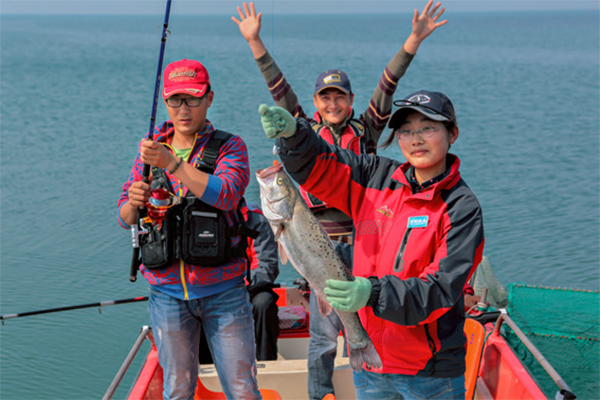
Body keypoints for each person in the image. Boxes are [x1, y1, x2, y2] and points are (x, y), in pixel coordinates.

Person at [233, 2, 447, 398]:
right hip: (317, 244)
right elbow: (278, 89)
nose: (332, 105)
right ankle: (321, 394)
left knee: (374, 323)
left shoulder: (365, 129)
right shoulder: (306, 132)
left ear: (350, 101)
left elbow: (389, 84)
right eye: (325, 98)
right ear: (315, 103)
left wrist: (413, 40)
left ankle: (377, 382)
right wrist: (255, 42)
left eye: (340, 98)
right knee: (324, 334)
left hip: (367, 245)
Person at [258, 88, 485, 399]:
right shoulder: (374, 176)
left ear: (452, 133)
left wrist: (371, 292)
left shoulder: (461, 207)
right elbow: (323, 165)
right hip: (369, 369)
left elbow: (441, 290)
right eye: (405, 131)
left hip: (430, 374)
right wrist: (294, 136)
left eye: (428, 128)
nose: (415, 139)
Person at [117, 59, 261, 399]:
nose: (184, 109)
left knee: (241, 389)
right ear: (165, 102)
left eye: (193, 99)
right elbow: (124, 217)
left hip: (223, 292)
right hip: (166, 293)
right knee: (177, 389)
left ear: (209, 98)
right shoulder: (151, 151)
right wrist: (135, 200)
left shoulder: (230, 146)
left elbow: (226, 194)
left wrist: (173, 164)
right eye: (175, 100)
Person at [199, 197, 280, 363]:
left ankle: (266, 362)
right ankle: (206, 369)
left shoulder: (255, 220)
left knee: (264, 303)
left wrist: (236, 287)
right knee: (195, 306)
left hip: (248, 288)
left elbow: (267, 267)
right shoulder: (199, 220)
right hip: (212, 290)